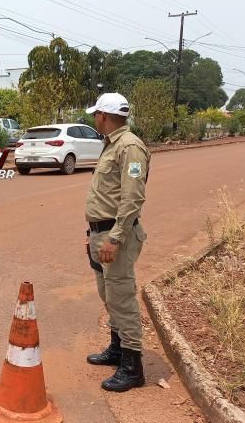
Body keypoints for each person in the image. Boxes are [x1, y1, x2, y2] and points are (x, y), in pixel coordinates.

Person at [84, 92, 151, 393]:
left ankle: (133, 366)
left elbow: (132, 197)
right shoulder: (112, 144)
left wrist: (114, 237)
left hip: (116, 236)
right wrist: (94, 234)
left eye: (95, 114)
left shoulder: (130, 147)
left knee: (121, 297)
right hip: (101, 233)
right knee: (108, 294)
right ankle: (116, 348)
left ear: (103, 116)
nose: (93, 118)